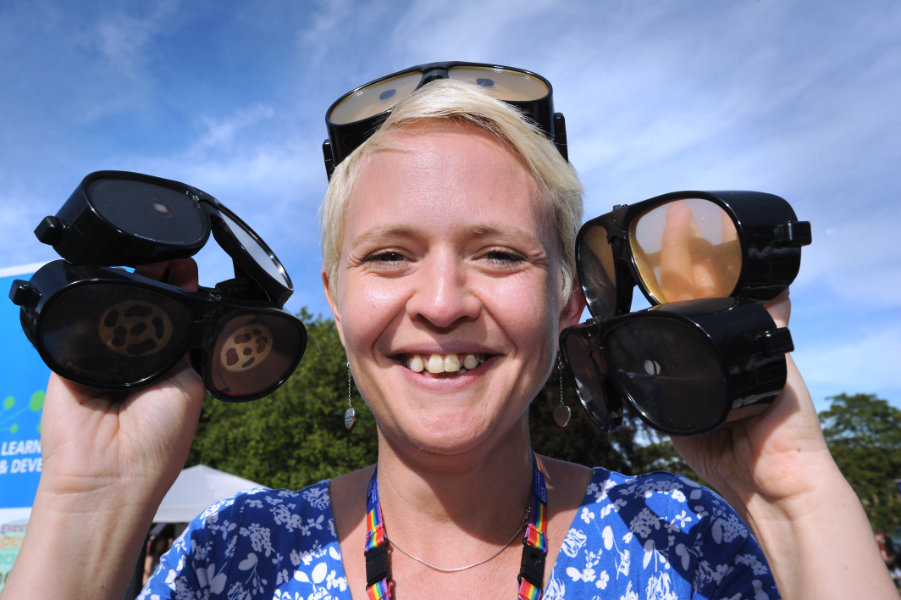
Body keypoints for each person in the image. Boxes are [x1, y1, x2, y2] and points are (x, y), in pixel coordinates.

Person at [1, 69, 897, 600]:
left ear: (569, 299)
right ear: (335, 299)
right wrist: (93, 501)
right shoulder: (232, 558)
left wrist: (789, 494)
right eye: (389, 256)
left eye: (499, 254)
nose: (440, 301)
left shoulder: (685, 539)